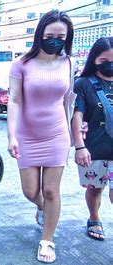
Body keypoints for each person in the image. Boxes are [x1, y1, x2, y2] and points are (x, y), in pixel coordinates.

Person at [7, 10, 76, 263]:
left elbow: (69, 101)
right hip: (26, 135)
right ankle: (41, 209)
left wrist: (75, 132)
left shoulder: (69, 63)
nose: (55, 40)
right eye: (50, 35)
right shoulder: (22, 63)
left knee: (50, 190)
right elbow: (14, 100)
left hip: (57, 133)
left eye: (61, 36)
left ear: (67, 38)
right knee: (30, 191)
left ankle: (47, 240)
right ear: (40, 34)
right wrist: (11, 135)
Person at [72, 37, 113, 241]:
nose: (110, 65)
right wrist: (79, 146)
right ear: (94, 60)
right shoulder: (83, 84)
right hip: (94, 149)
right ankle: (94, 218)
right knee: (95, 189)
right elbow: (77, 115)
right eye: (104, 60)